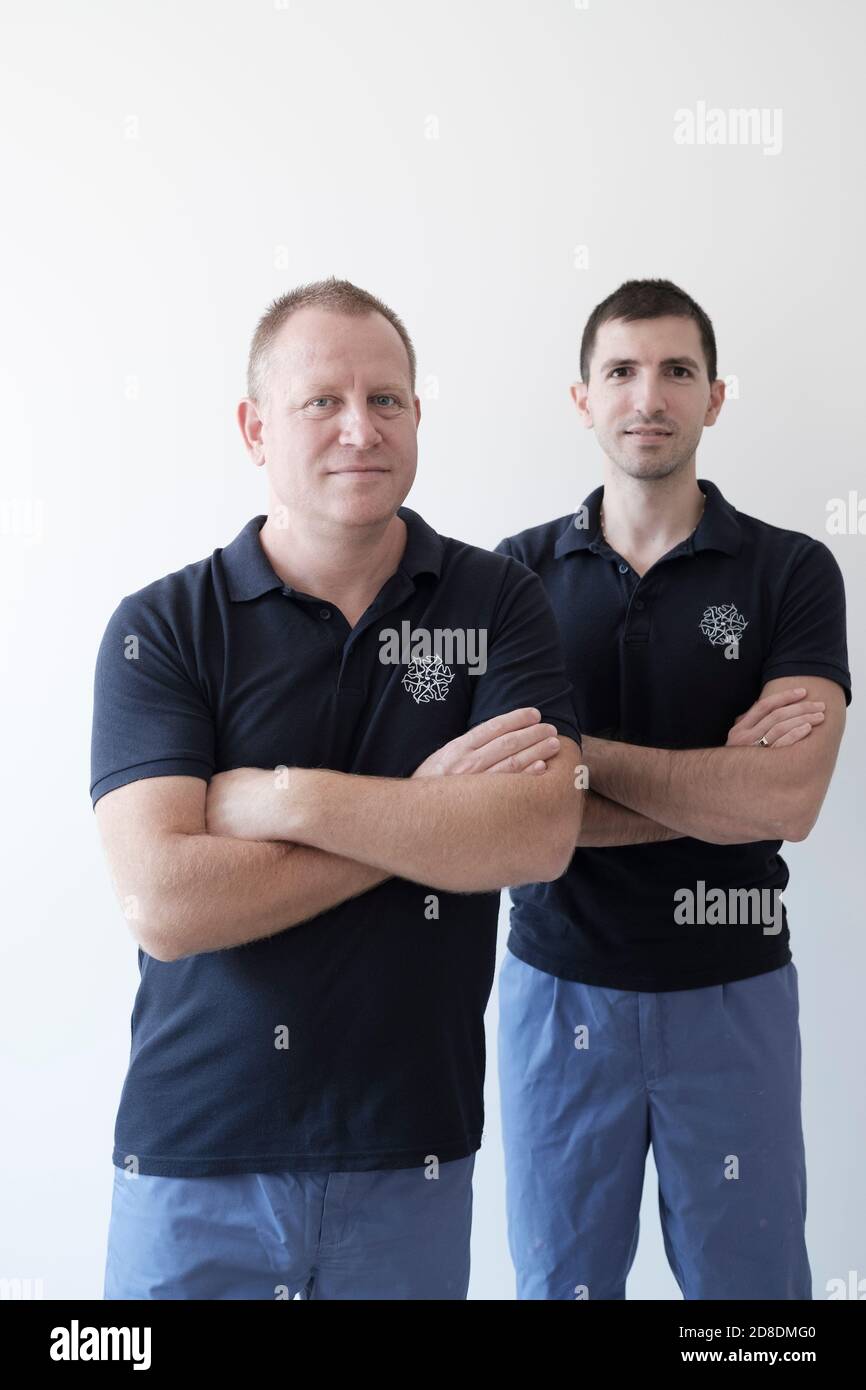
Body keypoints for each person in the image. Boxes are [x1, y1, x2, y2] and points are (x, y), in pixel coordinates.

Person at [91, 277, 583, 1300]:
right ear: (252, 427)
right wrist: (425, 815)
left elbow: (534, 834)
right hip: (193, 1159)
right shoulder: (165, 626)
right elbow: (165, 903)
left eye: (388, 400)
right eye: (322, 400)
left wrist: (283, 799)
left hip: (409, 1150)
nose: (360, 428)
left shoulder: (497, 598)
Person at [495, 278, 851, 1300]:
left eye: (674, 371)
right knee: (560, 1285)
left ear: (713, 396)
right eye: (619, 371)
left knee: (752, 1306)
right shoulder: (511, 578)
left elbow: (784, 803)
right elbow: (511, 817)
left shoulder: (790, 572)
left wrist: (579, 758)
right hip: (556, 994)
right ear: (581, 398)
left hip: (729, 990)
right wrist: (713, 785)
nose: (646, 395)